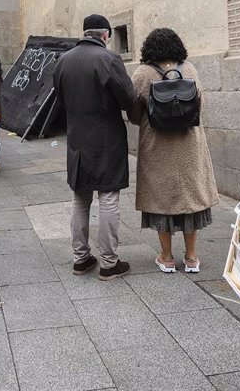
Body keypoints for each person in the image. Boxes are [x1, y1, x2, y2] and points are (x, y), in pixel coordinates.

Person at [53, 14, 138, 281]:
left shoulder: (63, 60)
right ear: (105, 35)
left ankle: (80, 259)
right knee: (108, 197)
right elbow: (128, 98)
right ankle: (109, 263)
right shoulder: (109, 58)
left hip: (77, 137)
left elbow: (60, 101)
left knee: (80, 198)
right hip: (106, 138)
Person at [129, 28, 218, 273]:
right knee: (190, 198)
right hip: (190, 144)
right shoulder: (188, 69)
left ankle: (166, 257)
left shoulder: (142, 73)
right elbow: (200, 103)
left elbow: (134, 113)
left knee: (161, 197)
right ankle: (191, 258)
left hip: (157, 145)